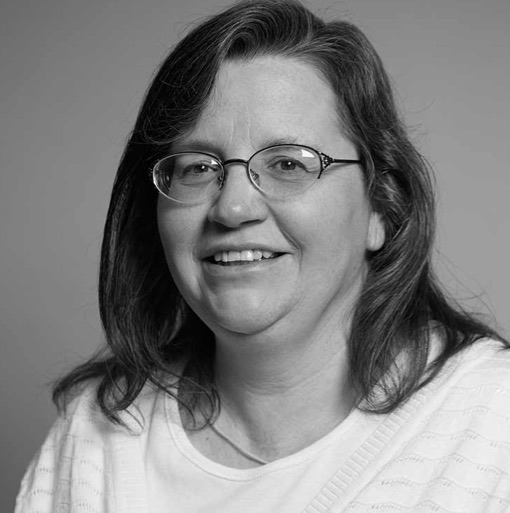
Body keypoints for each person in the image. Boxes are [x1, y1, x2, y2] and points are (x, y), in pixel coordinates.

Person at [15, 0, 510, 511]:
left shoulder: (494, 426)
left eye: (288, 164)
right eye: (197, 167)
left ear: (382, 208)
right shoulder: (94, 437)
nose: (231, 206)